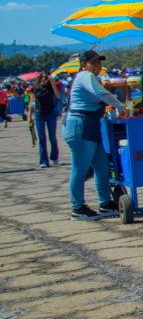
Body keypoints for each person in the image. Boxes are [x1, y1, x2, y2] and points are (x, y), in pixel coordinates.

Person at [62, 50, 128, 220]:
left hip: (90, 126)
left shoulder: (92, 77)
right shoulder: (85, 75)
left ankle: (105, 204)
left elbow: (101, 89)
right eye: (94, 62)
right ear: (84, 65)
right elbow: (101, 94)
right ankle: (78, 208)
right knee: (80, 168)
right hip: (81, 126)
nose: (98, 65)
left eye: (99, 62)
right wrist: (121, 107)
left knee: (103, 166)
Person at [33, 72, 62, 168]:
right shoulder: (36, 88)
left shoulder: (51, 87)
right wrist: (29, 117)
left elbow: (58, 96)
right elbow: (31, 102)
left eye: (46, 77)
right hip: (39, 114)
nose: (44, 79)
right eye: (42, 77)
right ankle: (44, 161)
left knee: (52, 137)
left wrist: (52, 83)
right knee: (42, 138)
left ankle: (54, 156)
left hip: (50, 113)